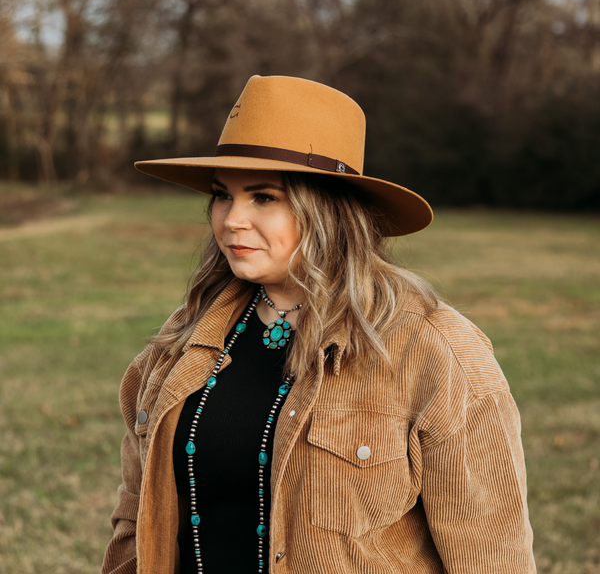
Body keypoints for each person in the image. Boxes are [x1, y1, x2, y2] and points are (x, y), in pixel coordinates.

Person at [102, 75, 536, 574]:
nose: (231, 220)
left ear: (328, 210)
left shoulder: (434, 349)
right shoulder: (181, 341)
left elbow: (492, 555)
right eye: (223, 195)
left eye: (264, 197)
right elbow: (135, 522)